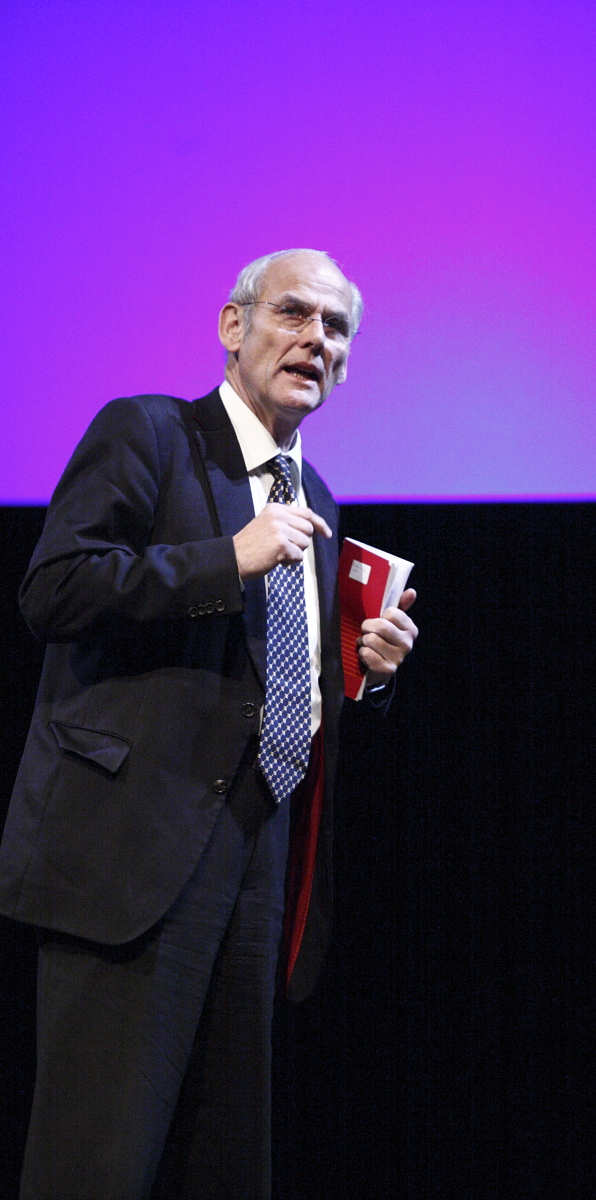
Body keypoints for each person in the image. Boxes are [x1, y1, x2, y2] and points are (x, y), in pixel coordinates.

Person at [0, 249, 417, 1199]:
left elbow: (277, 685)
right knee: (95, 1166)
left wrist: (368, 674)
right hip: (132, 857)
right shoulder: (151, 432)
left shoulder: (316, 499)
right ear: (234, 327)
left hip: (257, 860)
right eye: (293, 313)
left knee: (226, 1167)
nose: (316, 340)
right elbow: (53, 589)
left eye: (336, 328)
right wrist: (224, 559)